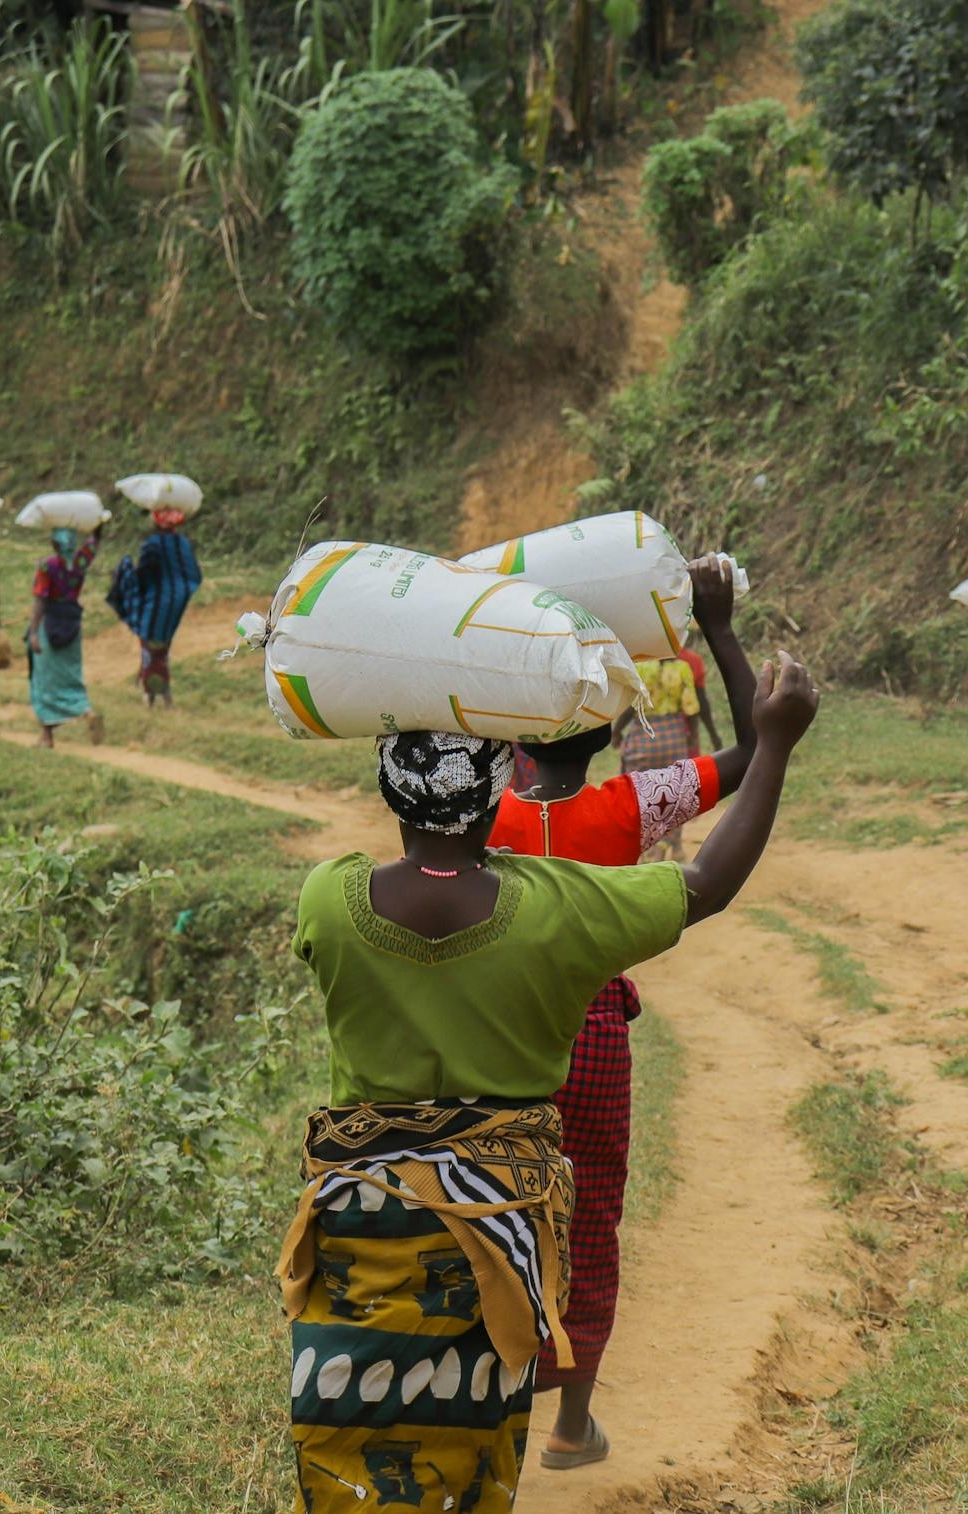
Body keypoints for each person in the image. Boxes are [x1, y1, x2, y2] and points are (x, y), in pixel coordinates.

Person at [280, 650, 821, 1514]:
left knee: (350, 1421)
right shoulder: (552, 907)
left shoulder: (327, 899)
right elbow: (707, 884)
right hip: (496, 1231)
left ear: (389, 793)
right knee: (473, 1436)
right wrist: (778, 745)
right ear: (499, 792)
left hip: (362, 1226)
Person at [486, 556, 755, 1471]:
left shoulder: (483, 816)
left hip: (505, 1030)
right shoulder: (631, 805)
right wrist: (717, 626)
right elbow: (757, 751)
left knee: (504, 1206)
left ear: (514, 746)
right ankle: (572, 1423)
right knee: (590, 1208)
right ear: (606, 741)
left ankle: (499, 1406)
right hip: (594, 1035)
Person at [107, 507, 202, 709]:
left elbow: (143, 576)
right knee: (160, 650)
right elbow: (193, 574)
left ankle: (156, 698)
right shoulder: (182, 544)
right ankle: (156, 692)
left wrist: (123, 573)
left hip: (156, 607)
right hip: (174, 607)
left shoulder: (152, 545)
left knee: (152, 651)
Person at [614, 654, 703, 860]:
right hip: (674, 737)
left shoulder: (640, 668)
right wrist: (692, 740)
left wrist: (617, 732)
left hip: (643, 738)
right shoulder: (682, 668)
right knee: (676, 792)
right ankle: (674, 846)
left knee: (640, 794)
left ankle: (647, 846)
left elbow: (631, 707)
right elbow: (691, 709)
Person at [26, 525, 104, 749]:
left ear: (54, 544)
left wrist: (33, 632)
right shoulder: (80, 563)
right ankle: (86, 711)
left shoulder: (47, 566)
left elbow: (40, 600)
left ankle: (47, 737)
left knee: (44, 679)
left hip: (49, 623)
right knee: (71, 674)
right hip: (72, 623)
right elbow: (94, 543)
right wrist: (97, 525)